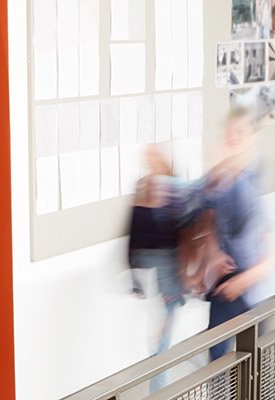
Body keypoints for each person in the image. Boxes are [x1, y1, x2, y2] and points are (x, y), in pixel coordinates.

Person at [199, 107, 272, 361]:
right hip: (223, 287)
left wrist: (245, 280)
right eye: (230, 132)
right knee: (217, 363)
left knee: (255, 370)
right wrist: (213, 256)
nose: (234, 138)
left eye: (241, 132)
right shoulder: (215, 179)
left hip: (250, 294)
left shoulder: (254, 181)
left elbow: (270, 254)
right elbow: (207, 225)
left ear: (254, 137)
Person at [126, 145, 194, 390]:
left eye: (153, 156)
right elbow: (133, 229)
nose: (148, 161)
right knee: (164, 326)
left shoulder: (175, 188)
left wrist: (184, 270)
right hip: (153, 263)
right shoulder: (144, 187)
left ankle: (159, 385)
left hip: (170, 263)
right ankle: (161, 381)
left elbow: (185, 230)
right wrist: (132, 273)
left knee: (165, 328)